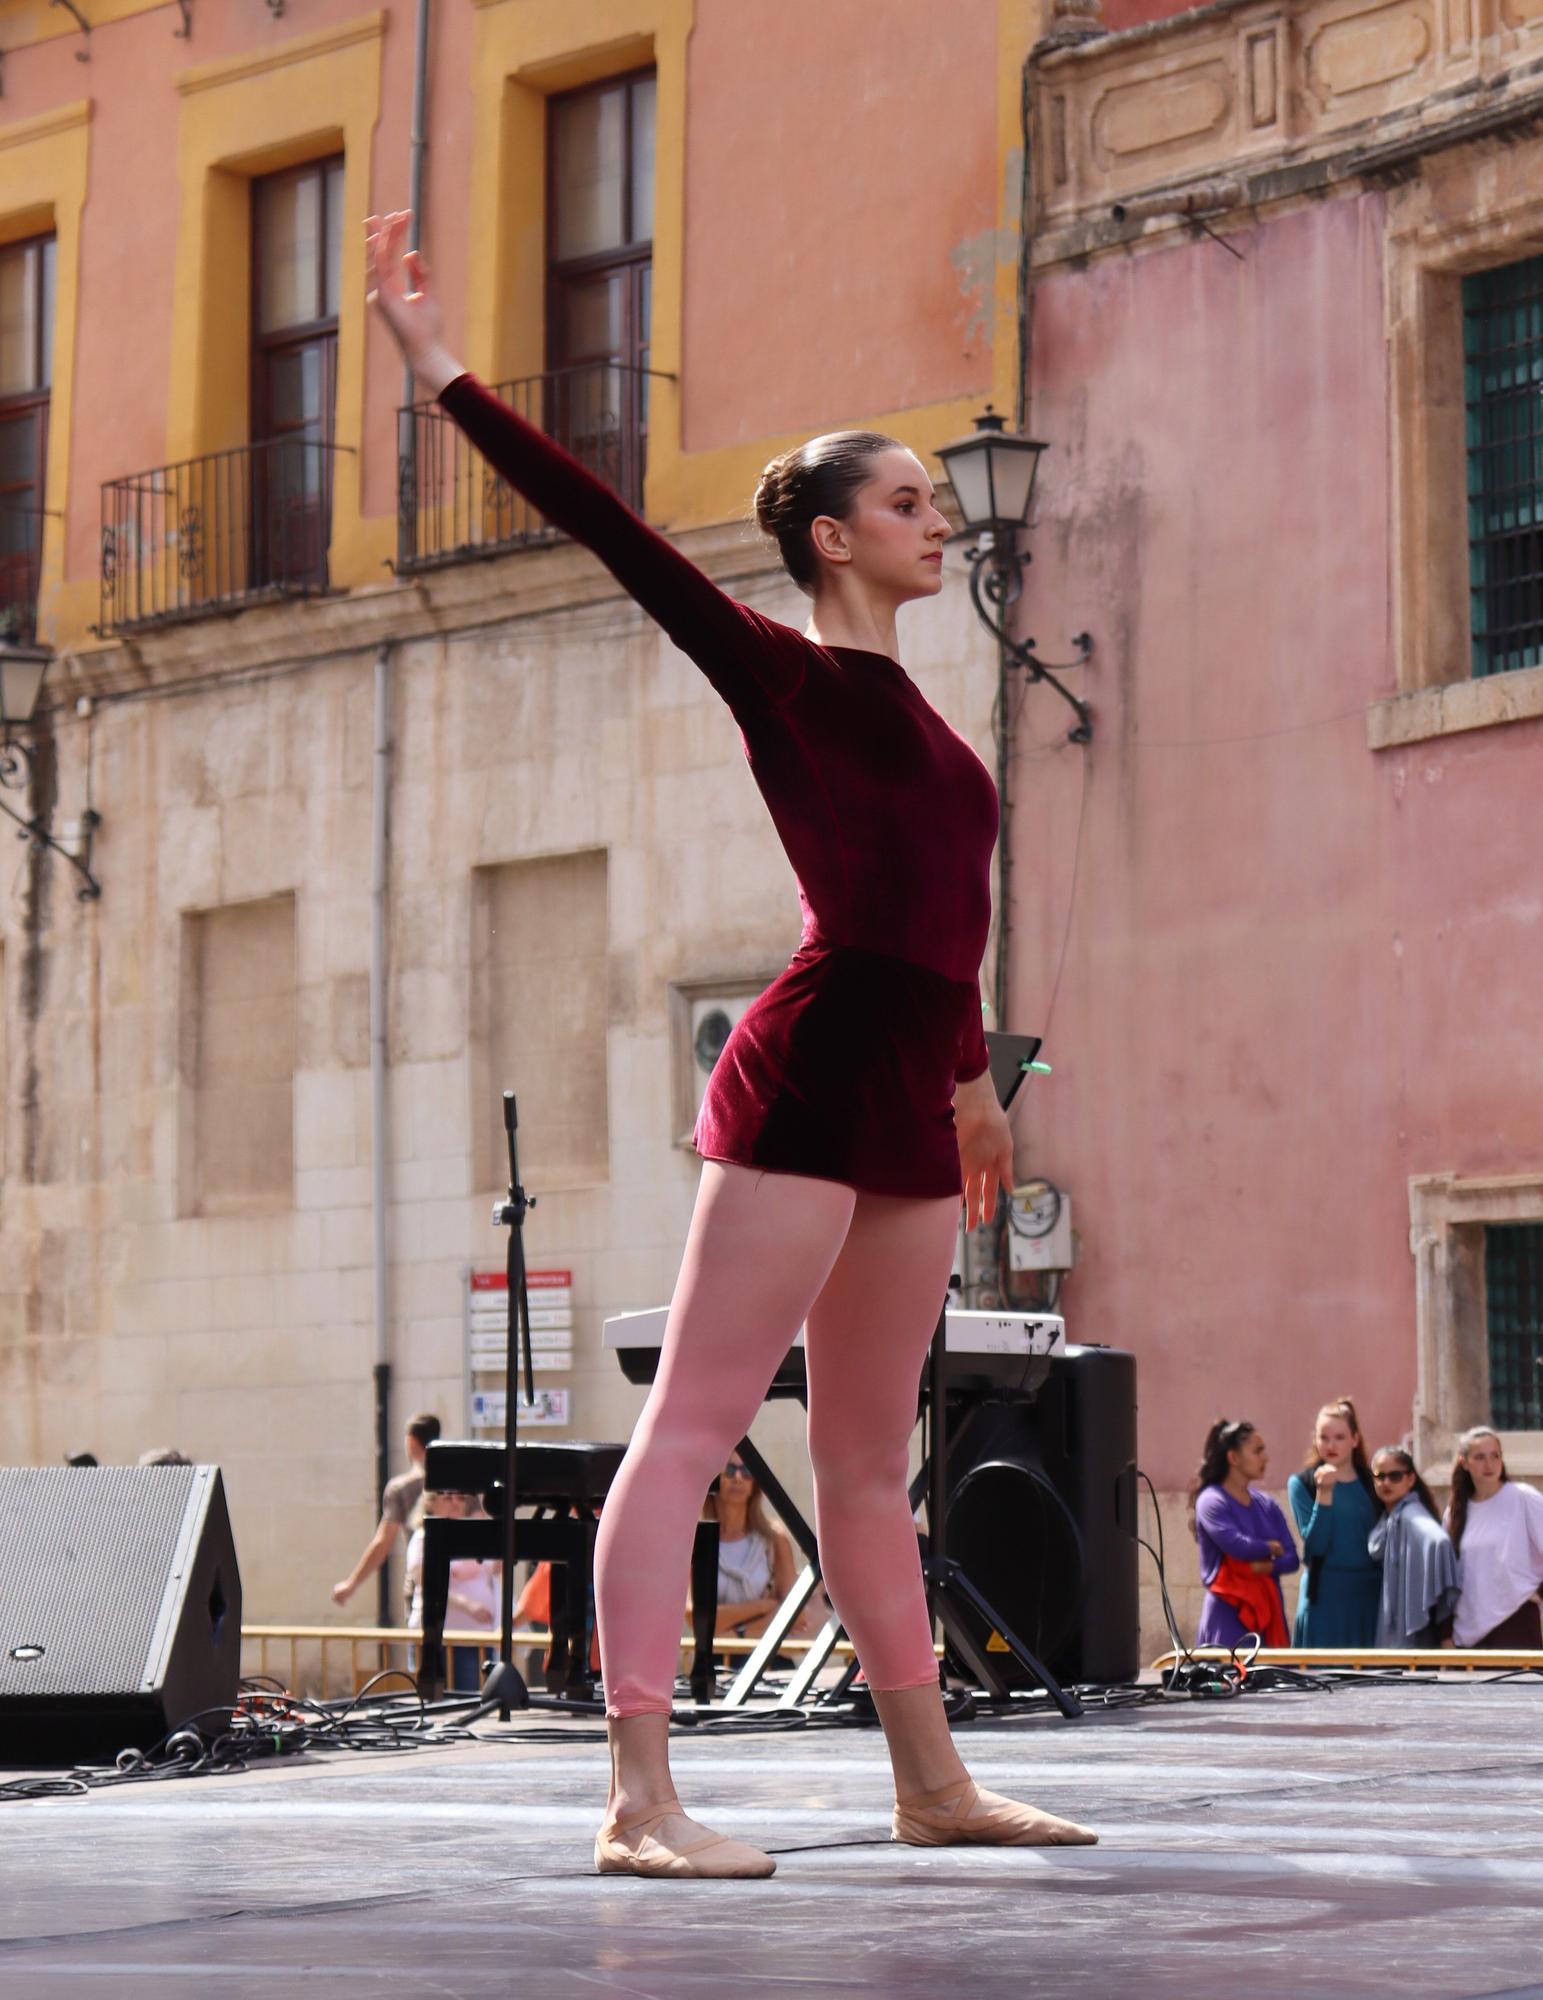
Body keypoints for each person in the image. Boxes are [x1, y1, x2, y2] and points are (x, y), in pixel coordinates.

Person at [368, 212, 1096, 1879]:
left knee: (859, 1458)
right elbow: (611, 532)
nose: (937, 525)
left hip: (913, 1097)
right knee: (693, 1432)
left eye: (934, 499)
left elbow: (946, 907)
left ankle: (929, 1784)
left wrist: (975, 1081)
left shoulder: (927, 717)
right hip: (807, 1073)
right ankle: (637, 1800)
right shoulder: (783, 679)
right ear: (833, 538)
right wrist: (441, 374)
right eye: (908, 503)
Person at [1190, 1420, 1299, 1648]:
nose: (1265, 1458)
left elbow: (1291, 1559)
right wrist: (1269, 1548)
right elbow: (1237, 1546)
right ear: (1234, 1458)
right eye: (1257, 1451)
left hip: (1268, 1614)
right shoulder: (1211, 1501)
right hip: (1228, 1615)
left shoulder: (1267, 1504)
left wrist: (1266, 1567)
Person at [1287, 1397, 1381, 1648]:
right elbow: (1315, 1546)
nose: (1331, 1445)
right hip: (1323, 1600)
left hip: (1367, 1598)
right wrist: (1324, 1495)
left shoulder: (1374, 1483)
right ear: (1315, 1440)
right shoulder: (1301, 1484)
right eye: (1324, 1437)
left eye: (1339, 1437)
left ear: (1355, 1439)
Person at [703, 1455, 823, 1645]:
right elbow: (698, 1617)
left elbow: (795, 1613)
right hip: (718, 1661)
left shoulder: (773, 1538)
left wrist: (738, 1635)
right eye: (730, 1470)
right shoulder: (700, 1537)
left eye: (747, 1471)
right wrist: (764, 1606)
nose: (738, 1478)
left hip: (768, 1659)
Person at [1443, 1427, 1543, 1649]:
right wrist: (1446, 1634)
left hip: (1516, 1622)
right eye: (1479, 1457)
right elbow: (1448, 1575)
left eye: (1495, 1456)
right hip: (1469, 1633)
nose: (1489, 1464)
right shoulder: (1456, 1512)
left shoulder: (1523, 1498)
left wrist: (1535, 1592)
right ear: (1465, 1462)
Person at [332, 1412, 441, 1609]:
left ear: (411, 1441)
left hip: (421, 1583)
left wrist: (352, 1584)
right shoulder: (459, 1485)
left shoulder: (401, 1488)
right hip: (461, 1583)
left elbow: (383, 1541)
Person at [405, 1489, 500, 1692]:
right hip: (440, 1635)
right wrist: (466, 1605)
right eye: (447, 1497)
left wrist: (496, 1528)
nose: (455, 1503)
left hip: (478, 1635)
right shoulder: (423, 1537)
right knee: (445, 1699)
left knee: (474, 1697)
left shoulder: (475, 1534)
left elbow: (496, 1568)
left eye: (461, 1497)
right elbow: (424, 1580)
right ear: (430, 1502)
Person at [1366, 1445, 1459, 1648]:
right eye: (1380, 1476)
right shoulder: (1388, 1518)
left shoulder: (1410, 1514)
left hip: (1410, 1633)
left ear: (1410, 1478)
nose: (1386, 1482)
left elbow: (1439, 1542)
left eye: (1395, 1476)